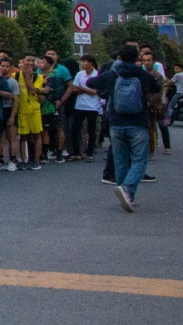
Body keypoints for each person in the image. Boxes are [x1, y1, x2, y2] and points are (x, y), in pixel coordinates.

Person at [89, 44, 161, 212]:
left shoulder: (113, 74)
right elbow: (156, 87)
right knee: (139, 159)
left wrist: (106, 91)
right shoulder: (141, 74)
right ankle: (128, 189)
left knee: (120, 159)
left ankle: (125, 191)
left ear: (119, 57)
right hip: (138, 122)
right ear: (137, 58)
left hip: (116, 122)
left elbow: (91, 81)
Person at [15, 54, 46, 170]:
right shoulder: (16, 75)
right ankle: (23, 160)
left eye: (33, 60)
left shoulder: (38, 76)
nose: (30, 63)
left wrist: (28, 78)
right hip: (22, 110)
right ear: (22, 61)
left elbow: (33, 91)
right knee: (23, 136)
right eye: (28, 60)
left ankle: (36, 160)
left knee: (37, 135)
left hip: (34, 109)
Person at [69, 55, 102, 162]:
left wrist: (82, 89)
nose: (83, 64)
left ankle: (90, 153)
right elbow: (74, 88)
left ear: (91, 63)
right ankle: (77, 152)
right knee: (74, 128)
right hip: (80, 105)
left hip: (92, 106)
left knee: (91, 130)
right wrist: (84, 90)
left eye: (85, 62)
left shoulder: (97, 75)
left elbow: (94, 92)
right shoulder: (80, 74)